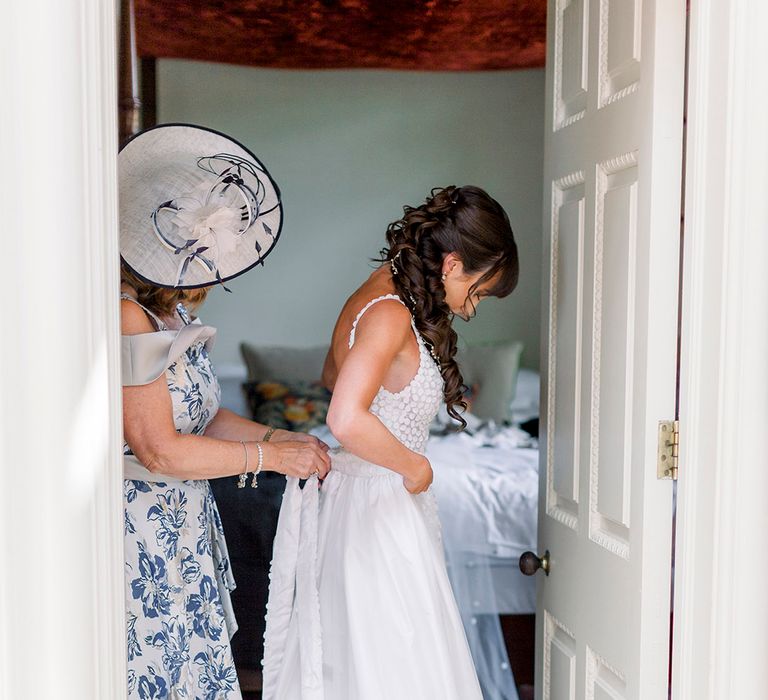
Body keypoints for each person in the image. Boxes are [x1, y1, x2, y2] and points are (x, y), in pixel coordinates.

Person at [261, 185, 519, 699]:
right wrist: (414, 466)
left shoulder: (372, 293)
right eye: (479, 291)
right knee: (395, 663)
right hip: (378, 507)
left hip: (361, 498)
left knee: (370, 660)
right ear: (451, 264)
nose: (472, 309)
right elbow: (344, 417)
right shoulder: (390, 311)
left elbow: (333, 374)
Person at [119, 124, 331, 699]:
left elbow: (204, 418)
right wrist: (266, 457)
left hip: (183, 519)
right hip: (138, 527)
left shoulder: (175, 316)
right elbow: (158, 447)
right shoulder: (126, 316)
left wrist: (284, 439)